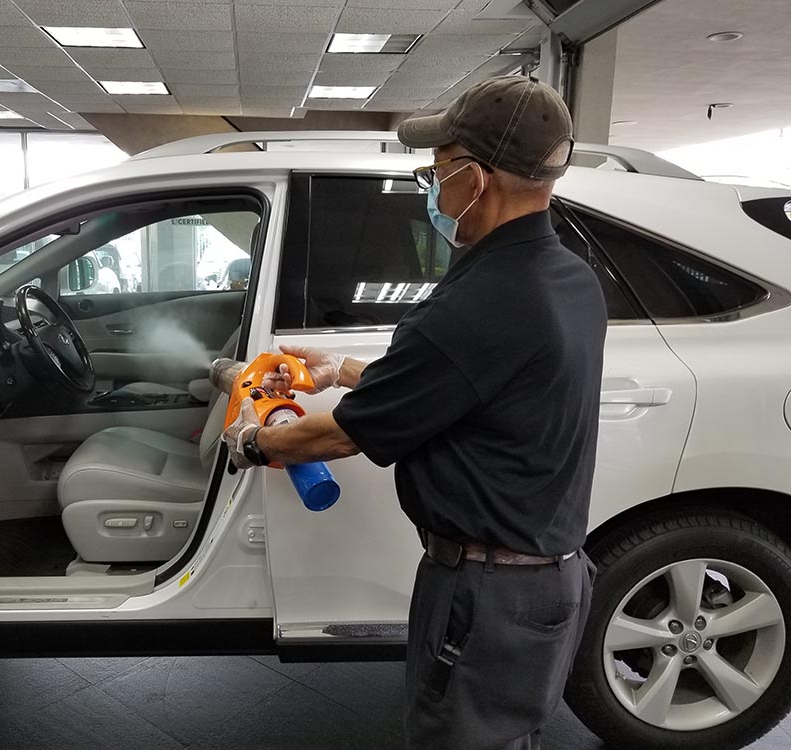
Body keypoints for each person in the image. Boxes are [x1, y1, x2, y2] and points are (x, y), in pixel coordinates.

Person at [223, 75, 608, 749]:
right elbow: (465, 390)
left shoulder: (477, 303)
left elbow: (341, 437)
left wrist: (253, 442)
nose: (431, 185)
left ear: (477, 178)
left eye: (436, 170)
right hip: (552, 586)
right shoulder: (569, 278)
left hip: (486, 599)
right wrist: (340, 369)